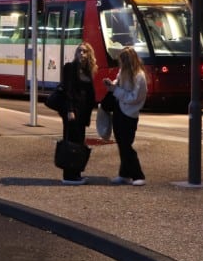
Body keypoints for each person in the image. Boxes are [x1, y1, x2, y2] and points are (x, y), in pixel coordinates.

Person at [104, 46, 148, 186]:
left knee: (126, 145)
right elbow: (119, 85)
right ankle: (124, 174)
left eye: (122, 60)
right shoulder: (123, 72)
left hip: (129, 113)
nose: (120, 64)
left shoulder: (139, 76)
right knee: (122, 144)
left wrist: (115, 89)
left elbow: (134, 97)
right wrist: (112, 85)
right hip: (120, 110)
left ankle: (138, 175)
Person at [58, 42, 97, 185]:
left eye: (85, 51)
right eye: (79, 51)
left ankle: (76, 173)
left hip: (83, 113)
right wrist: (69, 110)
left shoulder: (87, 71)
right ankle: (68, 175)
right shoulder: (70, 68)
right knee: (71, 142)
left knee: (79, 143)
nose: (82, 54)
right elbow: (68, 90)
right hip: (73, 111)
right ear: (75, 53)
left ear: (89, 55)